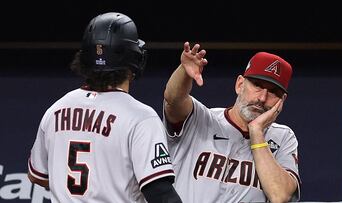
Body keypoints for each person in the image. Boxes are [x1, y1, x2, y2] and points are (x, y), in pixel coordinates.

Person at [27, 12, 182, 203]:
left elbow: (37, 175)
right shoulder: (141, 118)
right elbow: (161, 194)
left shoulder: (56, 110)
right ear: (134, 59)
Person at [162, 42, 301, 203]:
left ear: (282, 101)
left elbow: (280, 196)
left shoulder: (283, 137)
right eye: (257, 85)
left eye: (273, 92)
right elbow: (172, 100)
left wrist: (256, 131)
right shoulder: (202, 118)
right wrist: (184, 73)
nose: (262, 98)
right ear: (240, 84)